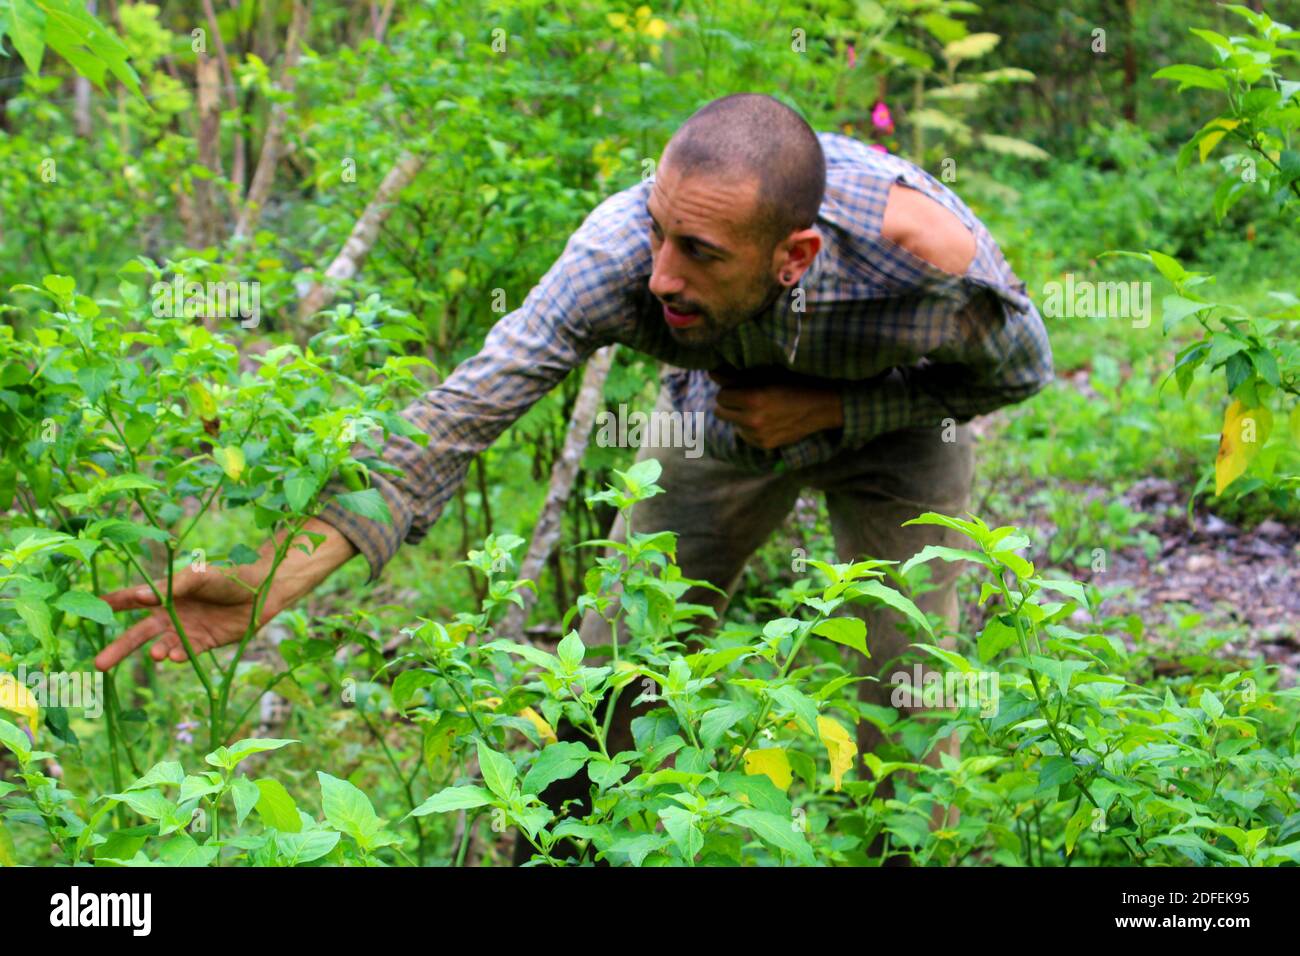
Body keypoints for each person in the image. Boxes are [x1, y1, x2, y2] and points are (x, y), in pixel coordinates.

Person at [94, 93, 1052, 860]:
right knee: (611, 676)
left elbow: (1020, 373)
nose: (663, 275)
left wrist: (839, 413)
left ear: (794, 256)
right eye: (661, 233)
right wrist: (268, 580)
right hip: (720, 420)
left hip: (900, 424)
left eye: (701, 254)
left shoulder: (924, 265)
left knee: (906, 689)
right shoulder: (620, 256)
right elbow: (455, 420)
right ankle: (557, 853)